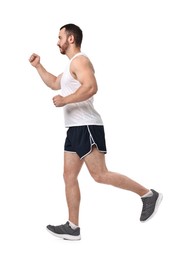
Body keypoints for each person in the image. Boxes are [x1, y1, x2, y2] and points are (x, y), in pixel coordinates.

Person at [29, 23, 163, 241]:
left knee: (100, 175)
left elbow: (91, 87)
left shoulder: (80, 60)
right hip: (74, 128)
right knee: (68, 176)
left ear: (70, 39)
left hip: (87, 126)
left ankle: (148, 195)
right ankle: (73, 227)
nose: (57, 41)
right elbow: (54, 82)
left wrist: (65, 100)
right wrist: (38, 67)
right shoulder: (70, 66)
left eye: (60, 36)